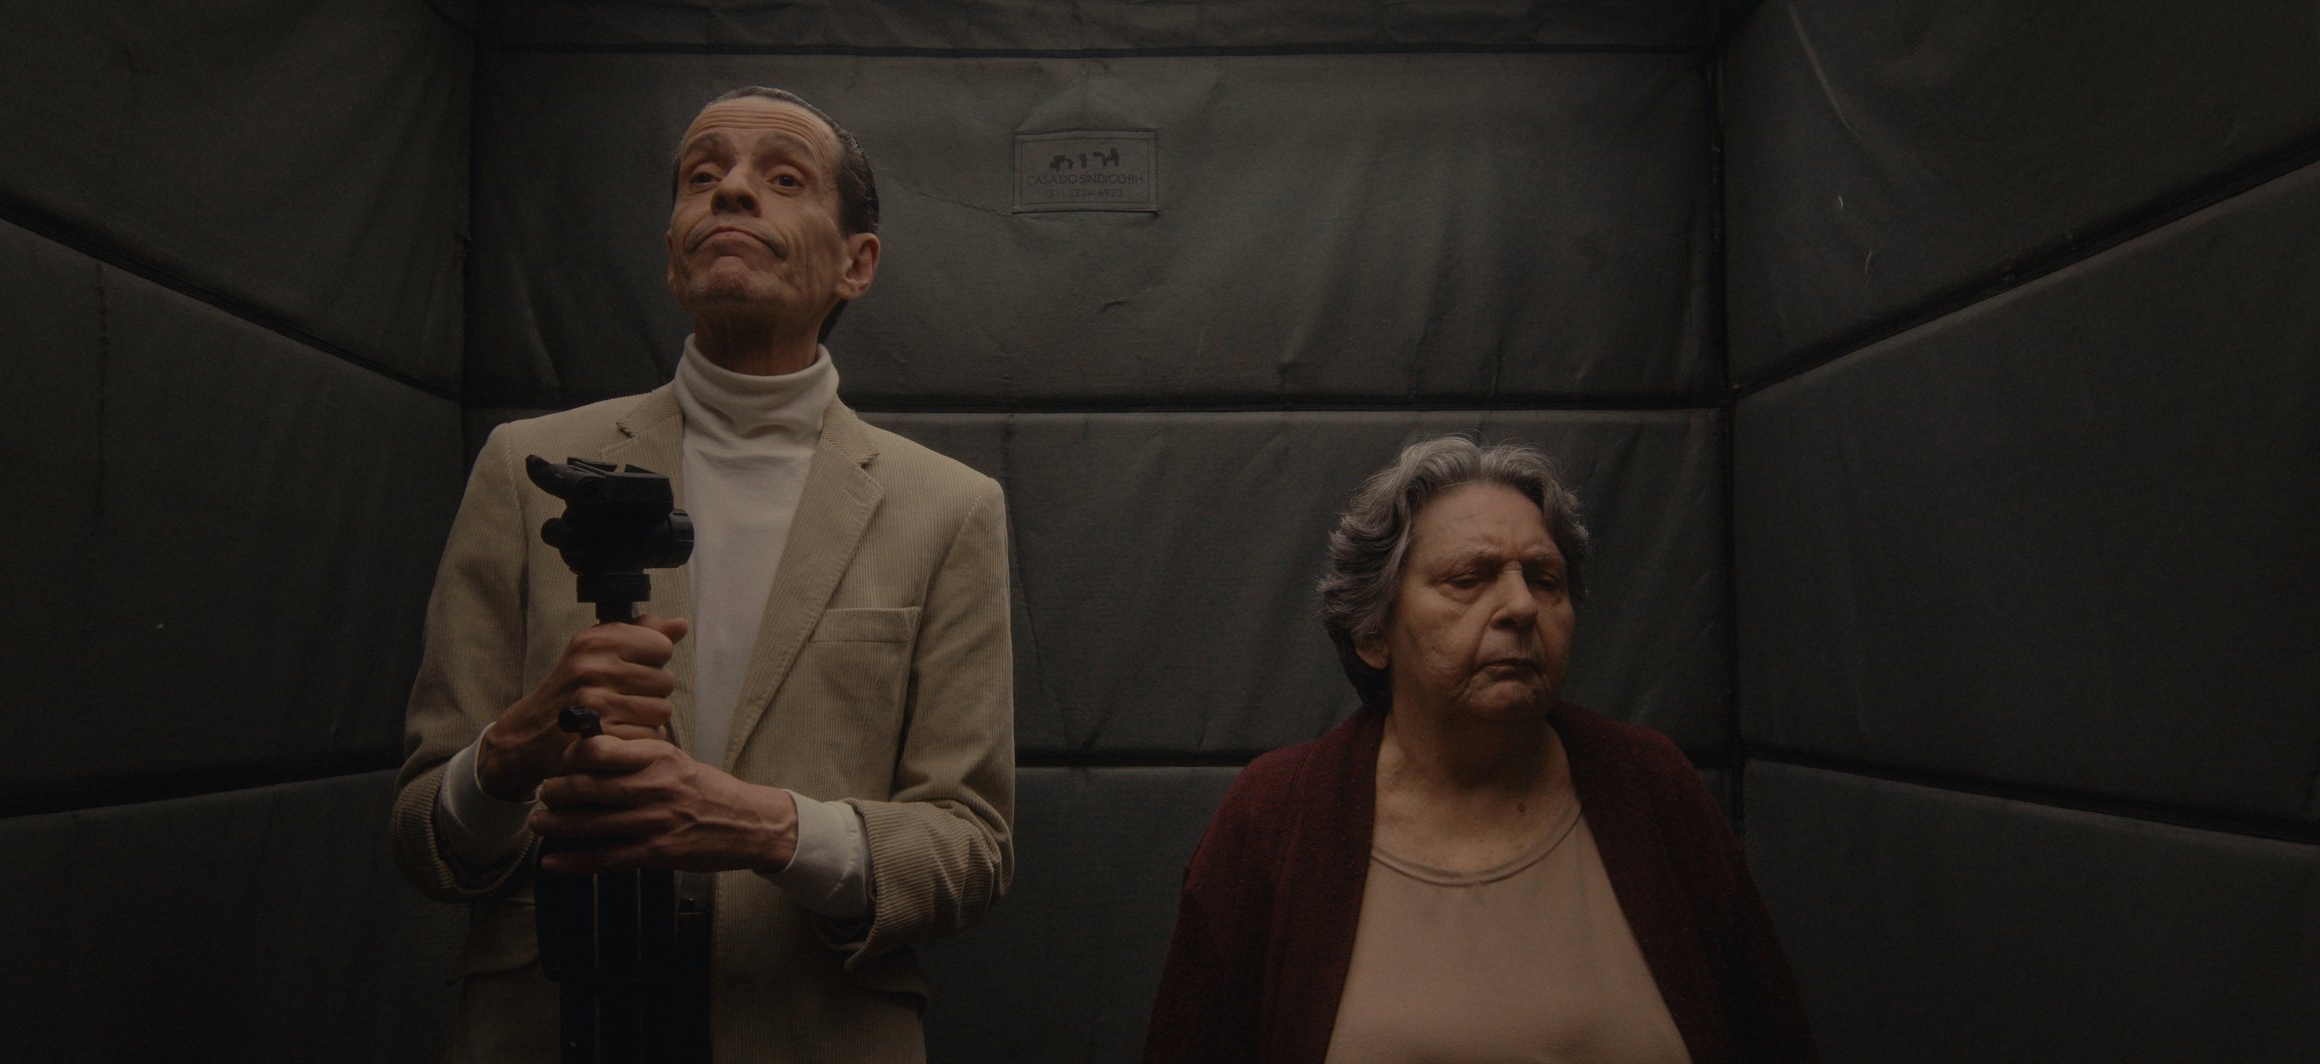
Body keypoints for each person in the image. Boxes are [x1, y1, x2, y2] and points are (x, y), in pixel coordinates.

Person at [389, 86, 1014, 1064]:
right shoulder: (525, 468)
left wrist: (764, 825)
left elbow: (970, 850)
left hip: (812, 1028)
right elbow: (426, 835)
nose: (730, 190)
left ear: (858, 262)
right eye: (701, 174)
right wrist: (505, 755)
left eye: (782, 177)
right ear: (674, 246)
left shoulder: (948, 508)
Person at [1144, 438, 1815, 1064]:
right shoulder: (1275, 820)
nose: (1521, 606)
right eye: (1472, 577)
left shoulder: (1654, 791)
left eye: (1546, 579)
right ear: (1374, 632)